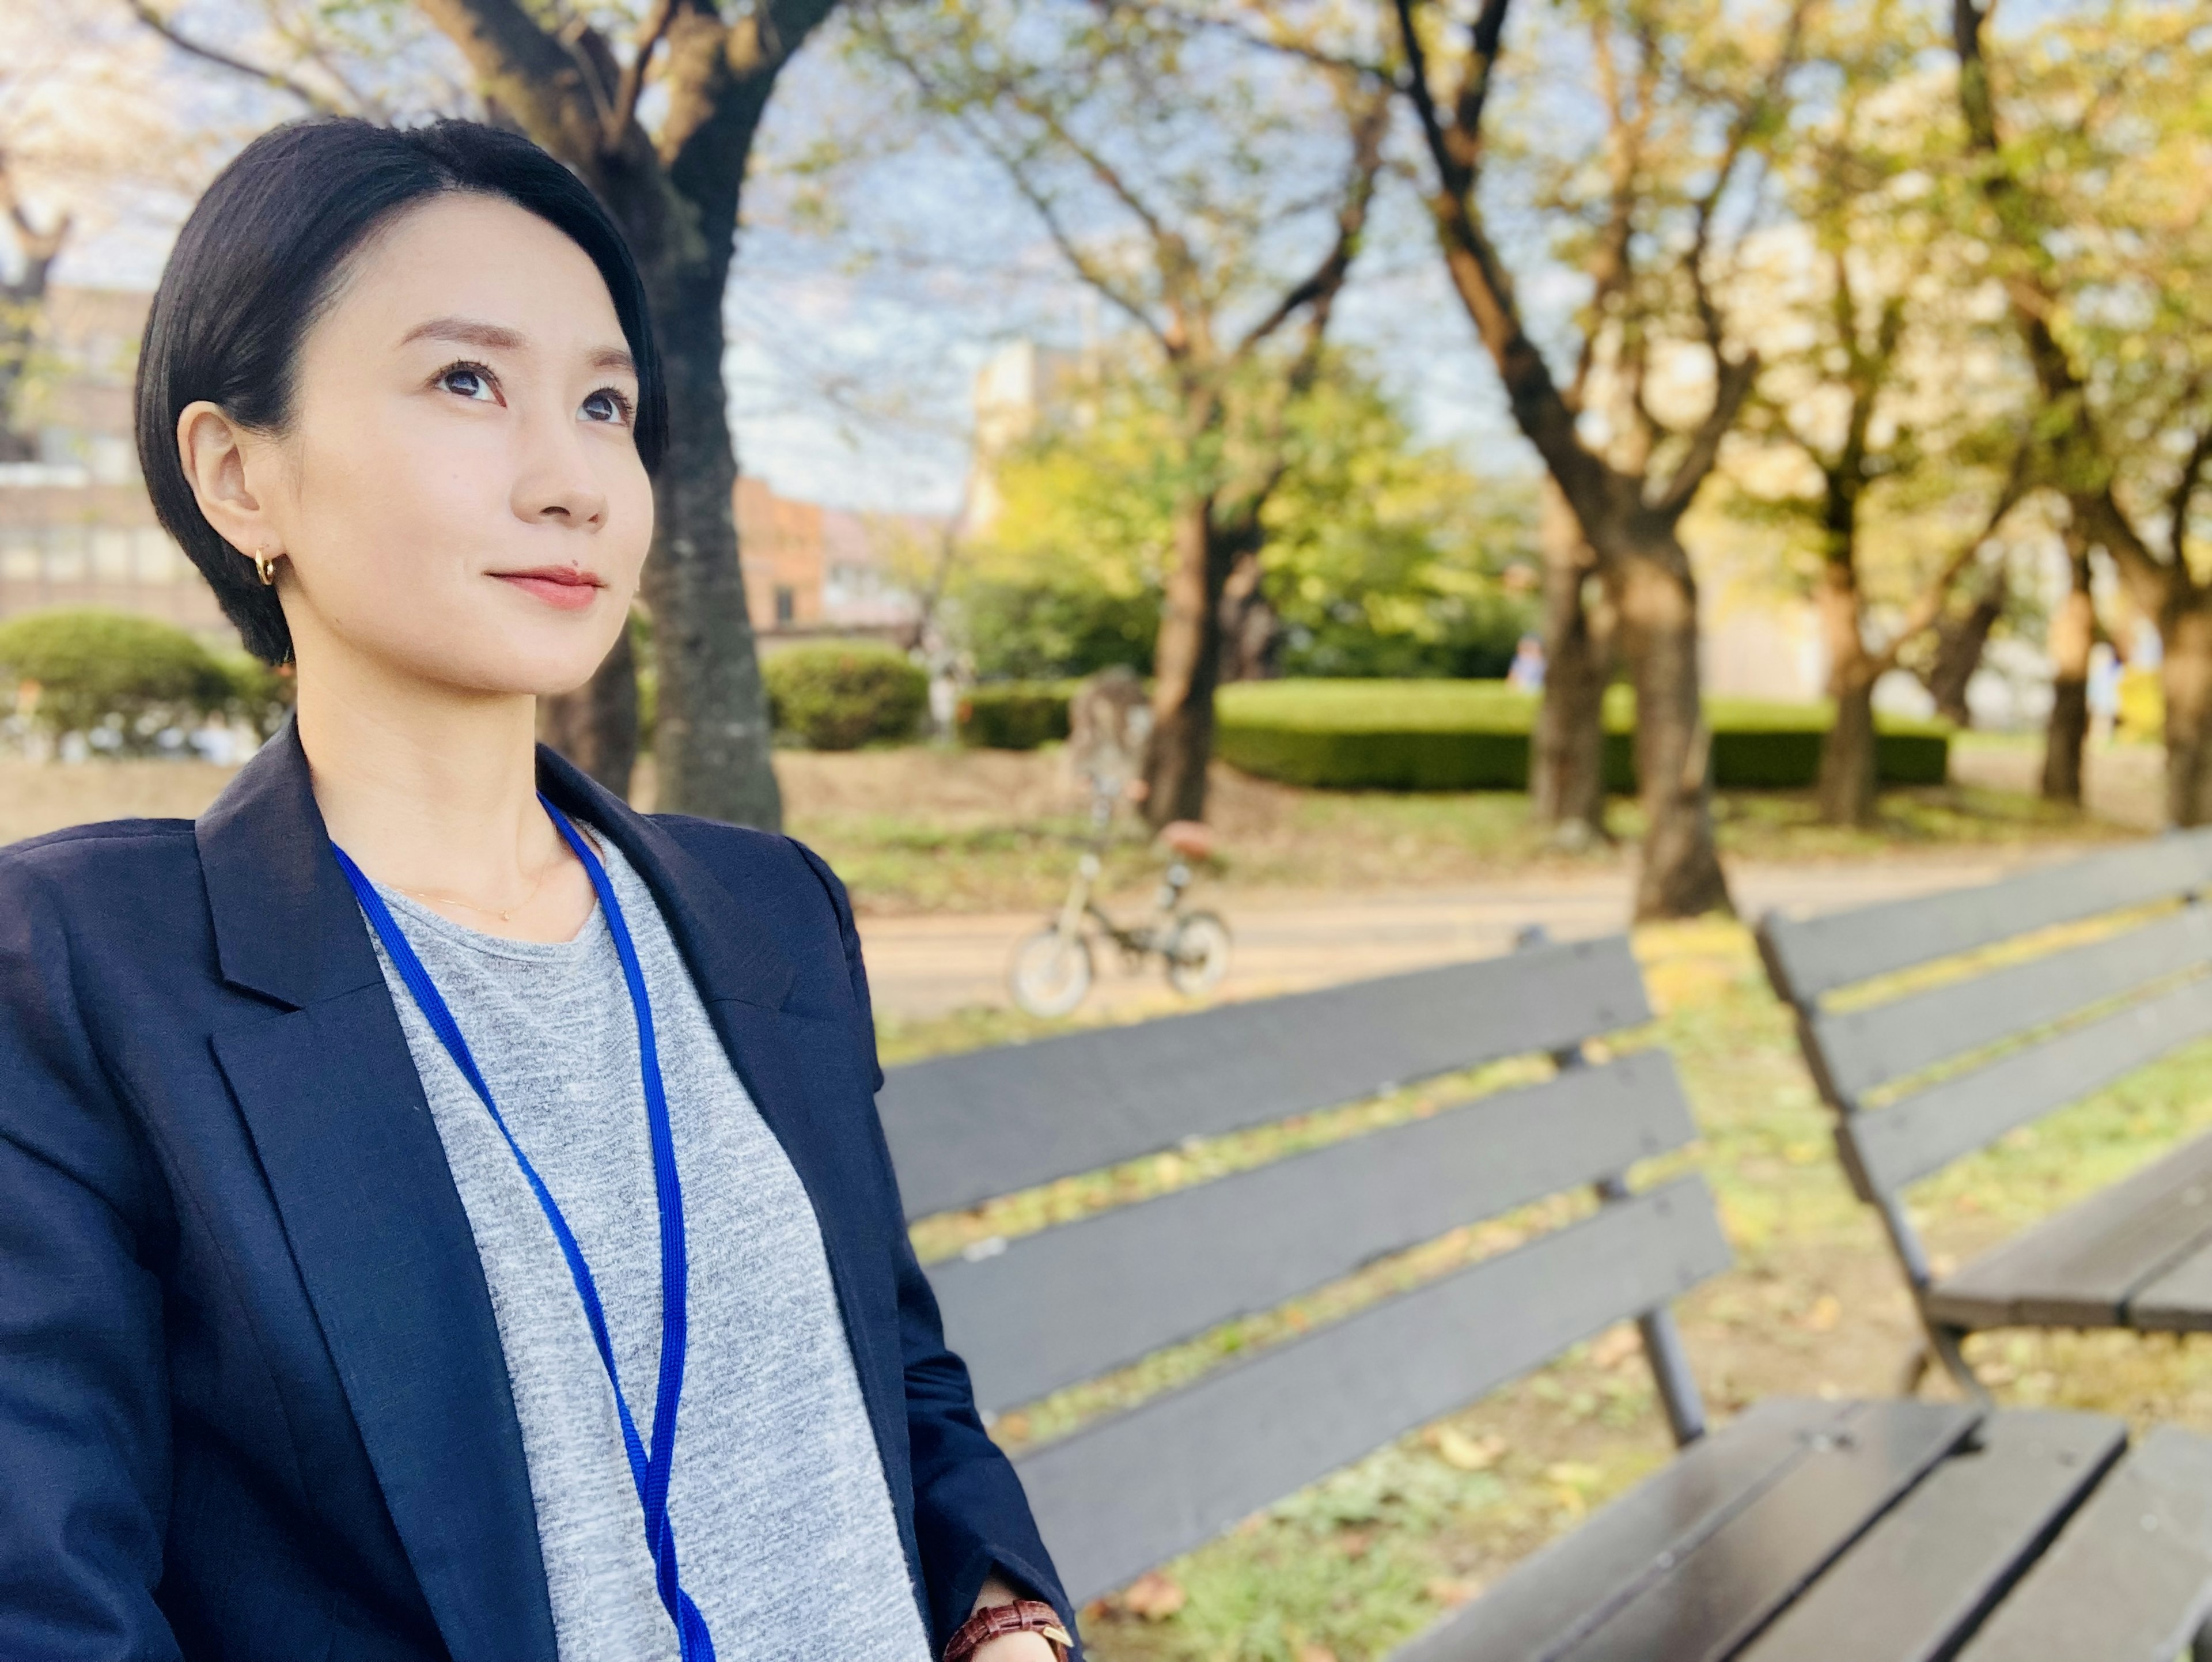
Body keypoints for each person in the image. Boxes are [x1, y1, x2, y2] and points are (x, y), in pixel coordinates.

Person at [0, 118, 1073, 1662]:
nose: (573, 479)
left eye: (607, 404)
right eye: (465, 382)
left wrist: (1004, 1618)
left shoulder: (768, 915)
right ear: (239, 474)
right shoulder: (83, 972)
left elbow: (891, 1370)